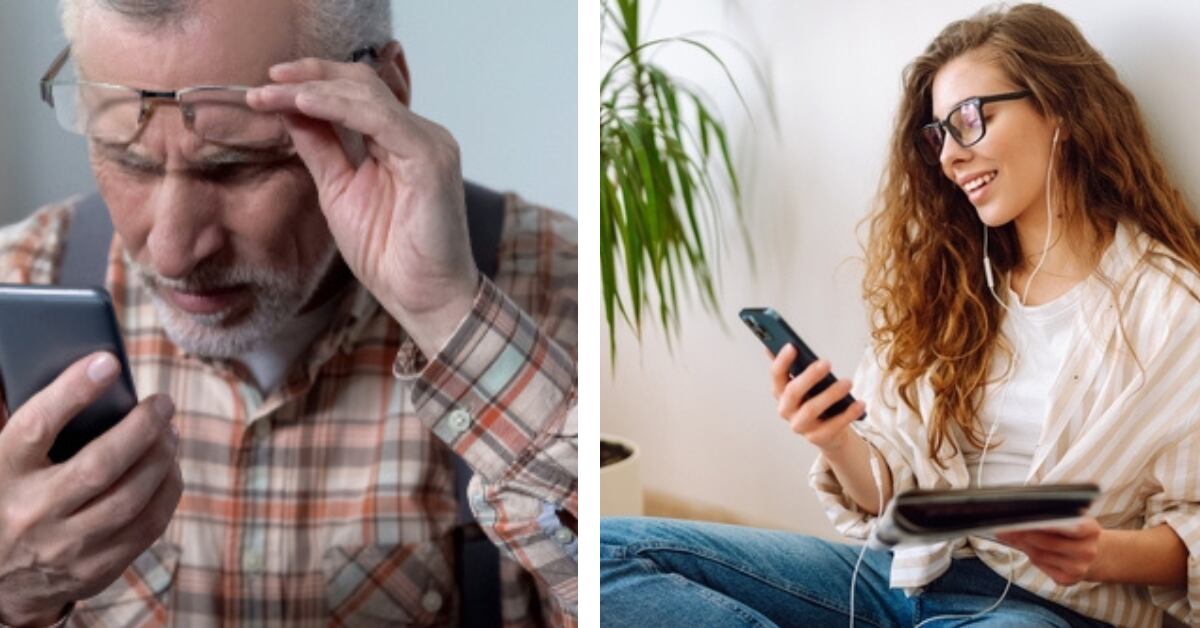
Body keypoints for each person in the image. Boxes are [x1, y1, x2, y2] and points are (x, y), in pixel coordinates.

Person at [601, 4, 1200, 627]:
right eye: (938, 134)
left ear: (1062, 111)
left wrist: (1099, 555)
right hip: (906, 579)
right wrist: (834, 439)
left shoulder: (1172, 312)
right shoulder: (953, 288)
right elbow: (889, 500)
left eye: (970, 119)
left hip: (1044, 609)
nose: (949, 158)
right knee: (607, 553)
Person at [0, 0, 577, 626]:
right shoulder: (16, 278)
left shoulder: (558, 296)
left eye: (235, 167)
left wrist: (450, 315)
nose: (171, 252)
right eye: (126, 158)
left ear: (380, 101)